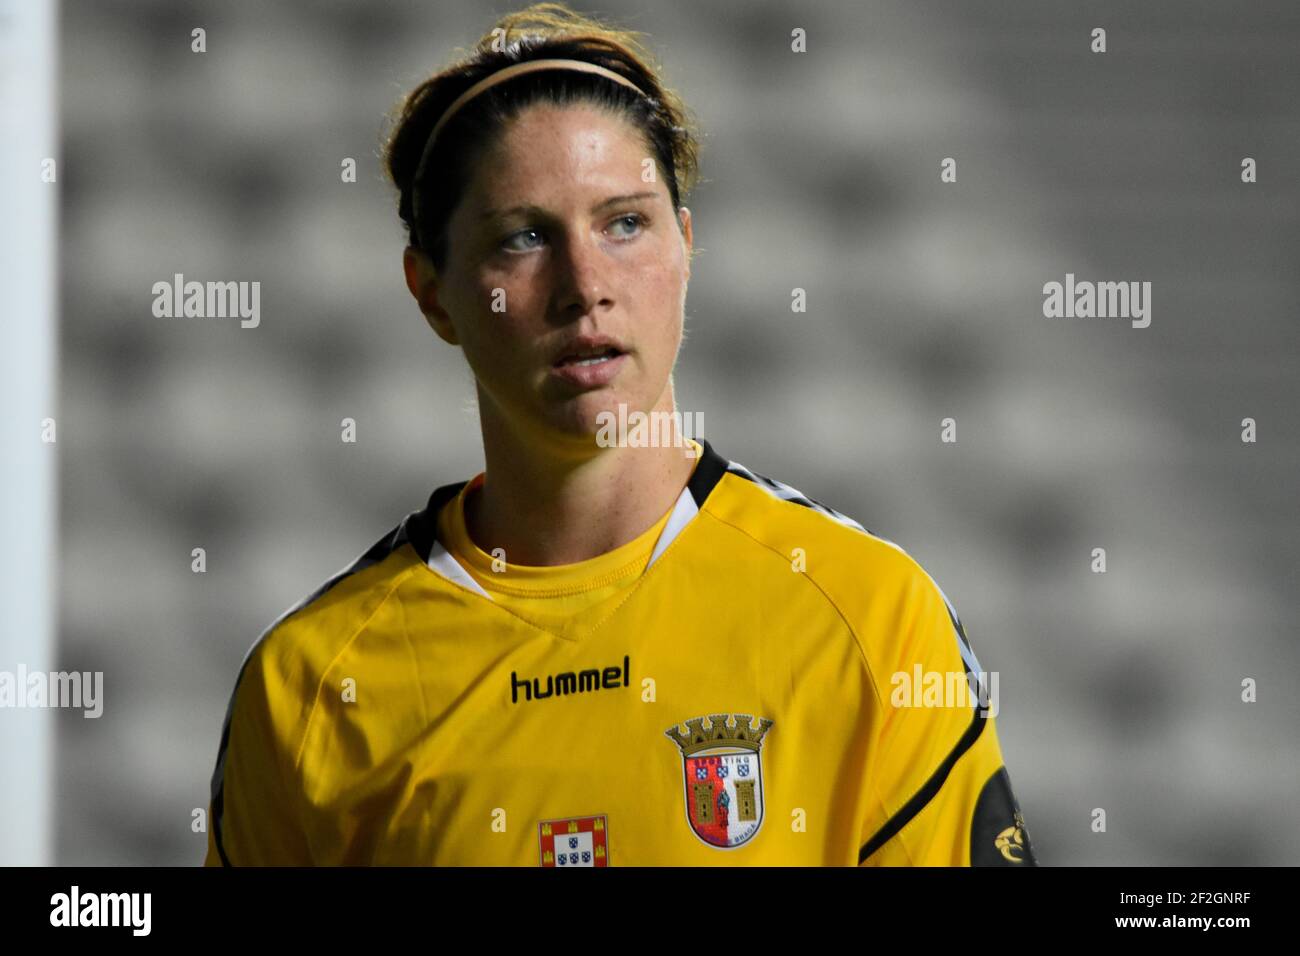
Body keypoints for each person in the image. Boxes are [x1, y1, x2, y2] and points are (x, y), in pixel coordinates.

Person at [204, 1, 1037, 867]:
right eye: (523, 238)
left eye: (625, 223)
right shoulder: (311, 687)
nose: (585, 285)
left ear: (685, 243)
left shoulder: (869, 620)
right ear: (431, 292)